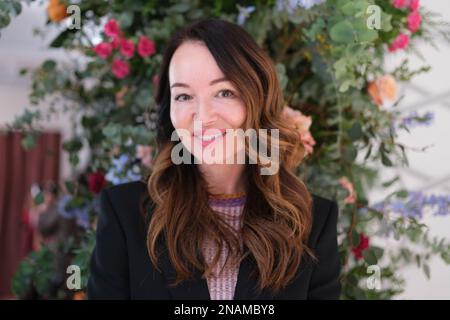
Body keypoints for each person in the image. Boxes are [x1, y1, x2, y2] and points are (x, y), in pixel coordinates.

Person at [87, 18, 341, 300]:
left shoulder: (312, 221)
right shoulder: (125, 213)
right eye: (183, 96)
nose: (203, 117)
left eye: (224, 92)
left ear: (257, 98)